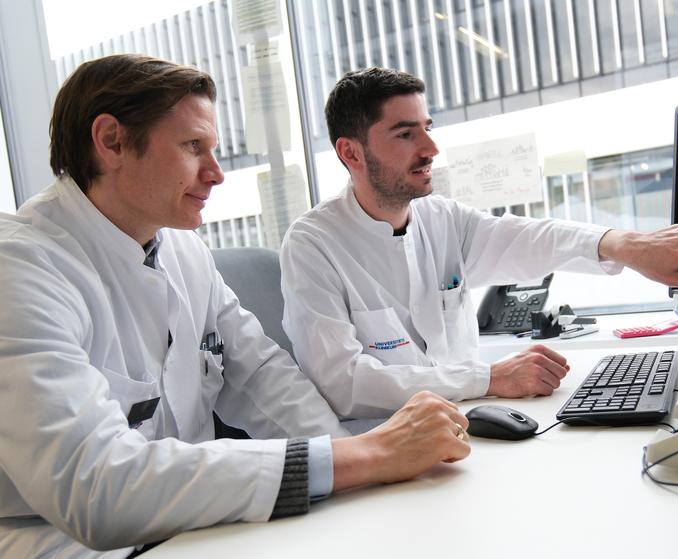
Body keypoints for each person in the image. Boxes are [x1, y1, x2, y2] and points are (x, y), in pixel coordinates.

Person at [0, 55, 471, 559]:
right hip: (68, 544)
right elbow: (95, 487)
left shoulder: (181, 251)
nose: (217, 173)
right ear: (111, 141)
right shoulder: (22, 268)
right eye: (192, 146)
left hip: (196, 524)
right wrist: (364, 454)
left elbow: (261, 374)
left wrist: (368, 470)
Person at [279, 67, 678, 419]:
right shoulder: (313, 245)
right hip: (387, 446)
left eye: (427, 127)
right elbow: (344, 384)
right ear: (350, 153)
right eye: (406, 133)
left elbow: (531, 239)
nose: (430, 149)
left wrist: (624, 245)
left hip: (470, 426)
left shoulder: (441, 217)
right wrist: (490, 377)